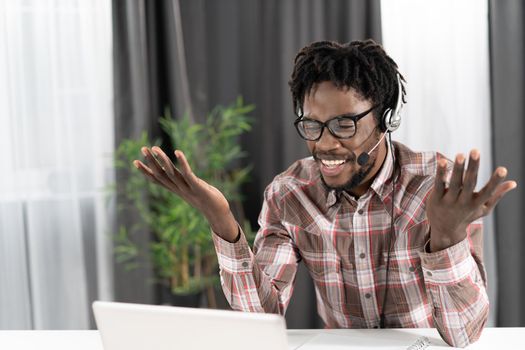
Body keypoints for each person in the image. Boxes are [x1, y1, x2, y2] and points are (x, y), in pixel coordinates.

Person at [133, 39, 516, 348]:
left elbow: (464, 335)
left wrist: (446, 238)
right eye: (312, 125)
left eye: (344, 125)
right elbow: (259, 317)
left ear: (386, 119)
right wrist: (221, 220)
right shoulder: (290, 195)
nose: (325, 144)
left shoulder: (438, 186)